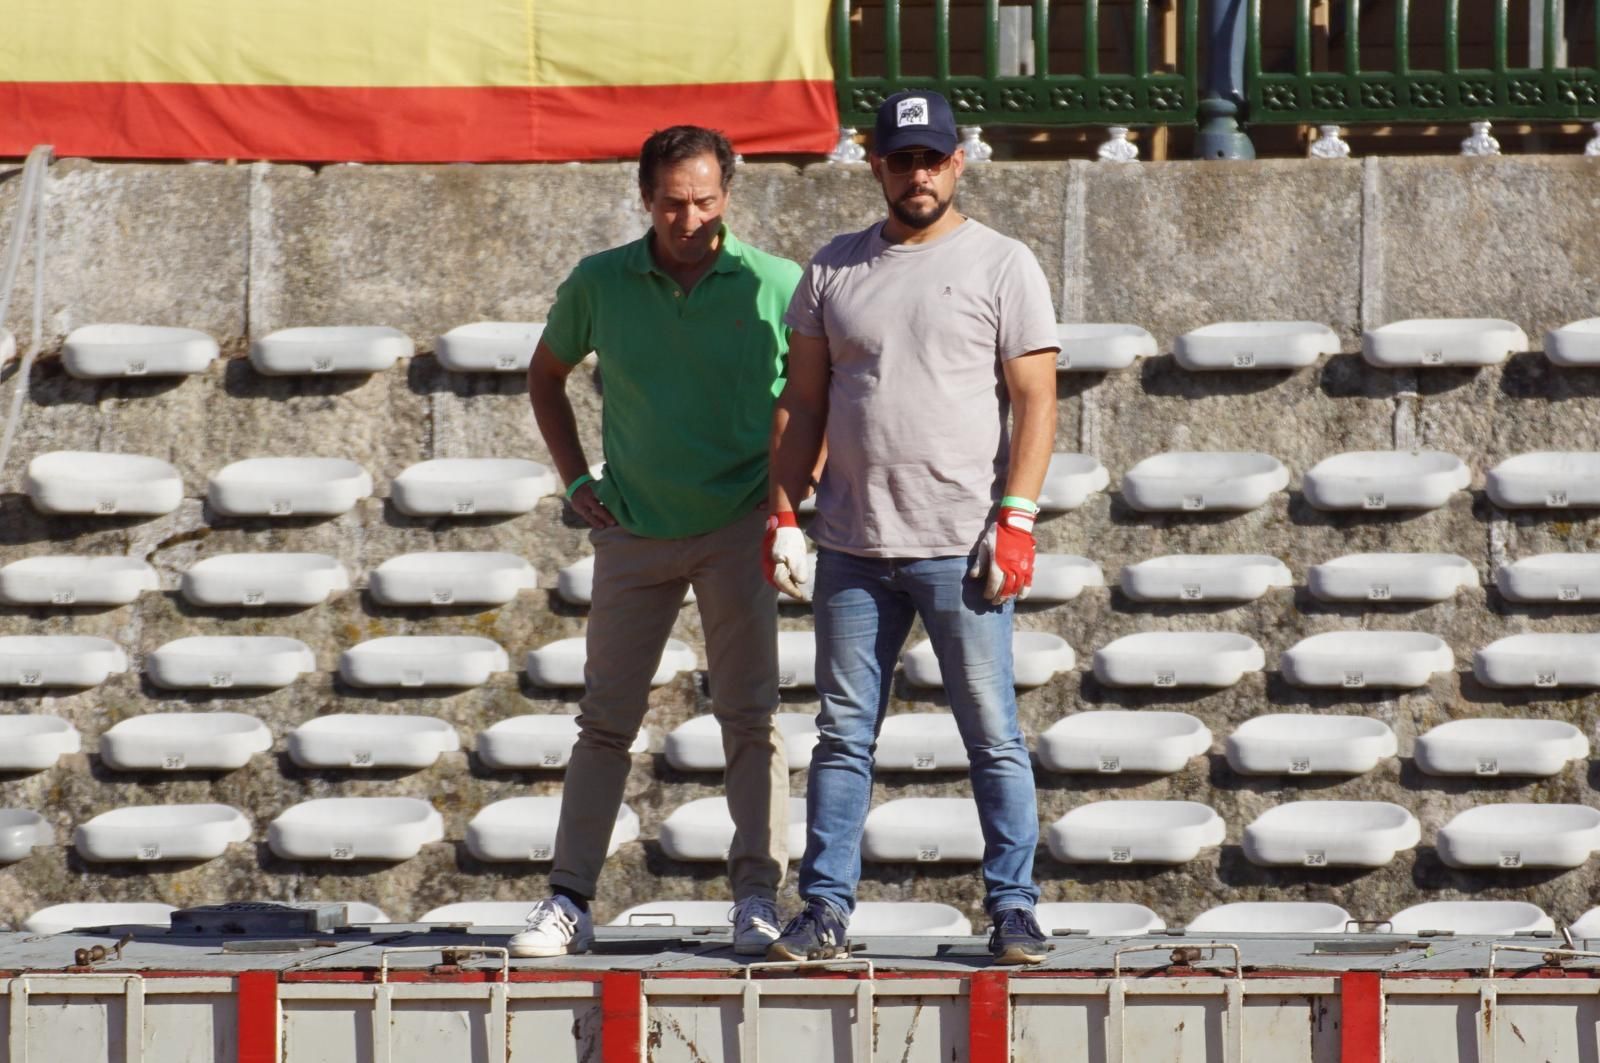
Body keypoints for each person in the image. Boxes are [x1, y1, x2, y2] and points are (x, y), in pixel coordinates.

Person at [763, 90, 1060, 966]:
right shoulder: (833, 268)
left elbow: (1036, 397)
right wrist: (782, 510)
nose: (919, 173)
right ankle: (823, 910)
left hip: (960, 545)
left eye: (933, 157)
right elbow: (804, 399)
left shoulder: (1003, 263)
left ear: (959, 161)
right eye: (903, 158)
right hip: (852, 542)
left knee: (993, 732)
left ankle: (1012, 906)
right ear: (876, 164)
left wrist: (1018, 515)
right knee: (843, 736)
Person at [512, 125, 801, 958]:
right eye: (673, 202)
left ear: (729, 197)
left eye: (706, 201)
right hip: (634, 527)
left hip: (740, 523)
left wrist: (788, 503)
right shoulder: (601, 281)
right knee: (605, 719)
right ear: (645, 199)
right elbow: (545, 373)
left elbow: (818, 395)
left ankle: (755, 898)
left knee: (750, 717)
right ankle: (569, 897)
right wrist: (574, 480)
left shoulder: (775, 283)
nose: (690, 218)